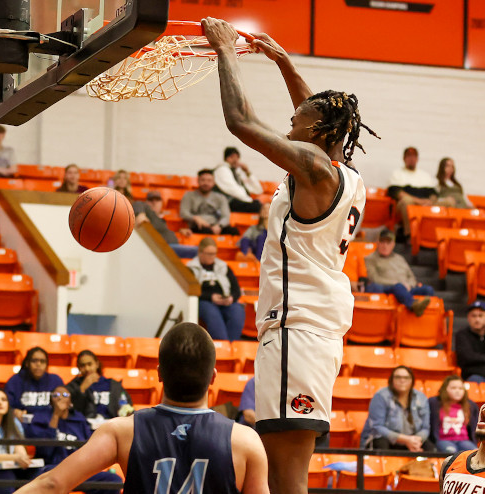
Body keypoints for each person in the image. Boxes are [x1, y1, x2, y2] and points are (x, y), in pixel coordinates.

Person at [203, 19, 377, 494]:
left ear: (317, 132)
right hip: (312, 329)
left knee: (285, 476)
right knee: (285, 470)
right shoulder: (345, 173)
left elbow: (241, 122)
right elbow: (313, 112)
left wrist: (227, 52)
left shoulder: (315, 168)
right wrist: (283, 62)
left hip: (295, 329)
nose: (291, 122)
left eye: (297, 121)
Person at [12, 322, 269, 494]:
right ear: (213, 377)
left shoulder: (122, 431)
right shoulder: (245, 441)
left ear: (159, 374)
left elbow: (53, 484)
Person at [24, 385, 121, 494]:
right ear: (51, 401)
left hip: (77, 470)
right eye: (56, 395)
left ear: (70, 401)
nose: (60, 397)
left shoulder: (79, 420)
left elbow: (90, 446)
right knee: (54, 481)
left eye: (65, 395)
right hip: (51, 469)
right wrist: (55, 415)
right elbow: (45, 451)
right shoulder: (41, 418)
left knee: (113, 480)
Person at [359, 366, 434, 452]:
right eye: (398, 377)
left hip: (413, 440)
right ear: (392, 380)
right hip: (387, 439)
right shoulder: (381, 396)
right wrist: (405, 439)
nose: (402, 380)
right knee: (381, 443)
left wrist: (415, 441)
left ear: (412, 380)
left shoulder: (421, 397)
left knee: (430, 448)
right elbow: (377, 427)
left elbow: (425, 428)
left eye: (406, 377)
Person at [364, 228, 434, 316]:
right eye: (382, 242)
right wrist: (396, 283)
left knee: (428, 289)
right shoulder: (370, 258)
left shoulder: (399, 258)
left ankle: (426, 317)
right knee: (398, 287)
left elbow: (411, 276)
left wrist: (409, 285)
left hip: (406, 288)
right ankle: (414, 305)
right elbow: (375, 278)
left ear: (393, 244)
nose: (385, 245)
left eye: (388, 242)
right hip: (388, 288)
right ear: (378, 243)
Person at [187, 237, 245, 341]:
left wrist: (231, 298)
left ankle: (231, 347)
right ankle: (221, 346)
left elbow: (236, 289)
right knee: (213, 315)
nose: (212, 257)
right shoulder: (191, 268)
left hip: (225, 301)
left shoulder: (223, 266)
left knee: (238, 312)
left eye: (214, 253)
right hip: (204, 300)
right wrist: (211, 297)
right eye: (209, 254)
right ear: (200, 252)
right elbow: (191, 290)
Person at [66, 350, 134, 428]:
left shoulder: (112, 385)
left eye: (89, 364)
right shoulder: (74, 385)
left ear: (97, 364)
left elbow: (126, 405)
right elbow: (71, 409)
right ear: (78, 368)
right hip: (85, 426)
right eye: (82, 366)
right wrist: (82, 388)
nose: (87, 369)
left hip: (111, 425)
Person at [133, 190, 197, 258]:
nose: (154, 202)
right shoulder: (149, 215)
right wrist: (140, 214)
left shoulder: (162, 220)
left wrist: (179, 232)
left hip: (172, 250)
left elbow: (164, 230)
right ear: (146, 202)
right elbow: (138, 203)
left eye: (157, 200)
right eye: (151, 200)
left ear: (162, 203)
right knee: (198, 251)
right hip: (162, 248)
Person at [388, 147, 437, 235]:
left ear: (417, 159)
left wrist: (430, 202)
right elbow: (396, 192)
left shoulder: (425, 175)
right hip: (408, 204)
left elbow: (433, 193)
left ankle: (435, 236)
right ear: (404, 158)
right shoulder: (397, 173)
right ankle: (409, 235)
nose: (411, 159)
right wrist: (420, 202)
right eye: (409, 156)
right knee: (406, 201)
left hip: (426, 204)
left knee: (449, 202)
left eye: (414, 156)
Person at [5, 347, 65, 420]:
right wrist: (14, 411)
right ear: (27, 363)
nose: (38, 364)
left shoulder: (55, 381)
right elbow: (7, 406)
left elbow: (64, 405)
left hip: (49, 424)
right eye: (34, 361)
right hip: (24, 424)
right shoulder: (15, 381)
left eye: (42, 361)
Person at [179, 169, 239, 235]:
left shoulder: (221, 198)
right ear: (198, 181)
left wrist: (219, 225)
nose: (206, 183)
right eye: (203, 180)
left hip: (216, 225)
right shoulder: (189, 195)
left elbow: (225, 216)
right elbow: (184, 213)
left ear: (214, 183)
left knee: (234, 231)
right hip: (198, 226)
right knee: (206, 232)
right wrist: (195, 218)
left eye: (209, 180)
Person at [429, 375, 479, 454]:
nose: (457, 391)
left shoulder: (471, 405)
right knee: (450, 452)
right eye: (453, 388)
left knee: (474, 453)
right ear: (445, 389)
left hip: (463, 440)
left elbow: (474, 427)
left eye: (460, 388)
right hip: (443, 440)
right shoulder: (434, 403)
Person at [214, 146, 264, 213]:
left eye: (237, 157)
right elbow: (232, 189)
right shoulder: (222, 170)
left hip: (241, 200)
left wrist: (247, 172)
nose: (235, 160)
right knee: (258, 206)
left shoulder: (238, 172)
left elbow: (258, 190)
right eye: (232, 157)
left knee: (261, 205)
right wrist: (249, 200)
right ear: (226, 158)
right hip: (228, 202)